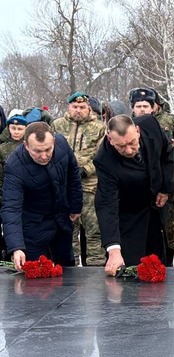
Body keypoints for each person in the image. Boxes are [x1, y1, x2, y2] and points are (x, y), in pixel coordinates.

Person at [95, 115, 174, 276]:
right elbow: (106, 204)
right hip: (129, 214)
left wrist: (165, 189)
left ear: (137, 131)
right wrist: (113, 249)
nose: (129, 150)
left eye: (132, 143)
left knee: (158, 266)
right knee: (129, 270)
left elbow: (168, 153)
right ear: (110, 139)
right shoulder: (104, 160)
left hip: (155, 208)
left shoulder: (150, 125)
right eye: (121, 146)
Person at [2, 122, 82, 270]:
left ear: (54, 141)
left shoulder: (62, 145)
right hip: (33, 228)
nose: (44, 156)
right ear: (26, 146)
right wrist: (16, 247)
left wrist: (76, 206)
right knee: (38, 282)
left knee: (67, 272)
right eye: (37, 151)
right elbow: (11, 208)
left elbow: (73, 173)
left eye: (48, 149)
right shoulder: (14, 166)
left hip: (61, 222)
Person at [52, 91, 107, 266]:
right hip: (65, 186)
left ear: (88, 108)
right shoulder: (57, 125)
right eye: (75, 106)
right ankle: (71, 267)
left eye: (82, 107)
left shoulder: (99, 127)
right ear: (69, 107)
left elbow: (102, 155)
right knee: (68, 231)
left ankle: (96, 267)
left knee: (94, 231)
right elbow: (50, 151)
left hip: (90, 186)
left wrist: (85, 170)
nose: (78, 110)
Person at [130, 87, 174, 266]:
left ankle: (165, 265)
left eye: (146, 105)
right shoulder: (126, 126)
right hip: (136, 192)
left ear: (153, 107)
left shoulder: (164, 125)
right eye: (138, 105)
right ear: (133, 108)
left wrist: (167, 189)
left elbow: (171, 158)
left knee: (164, 231)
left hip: (160, 190)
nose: (142, 109)